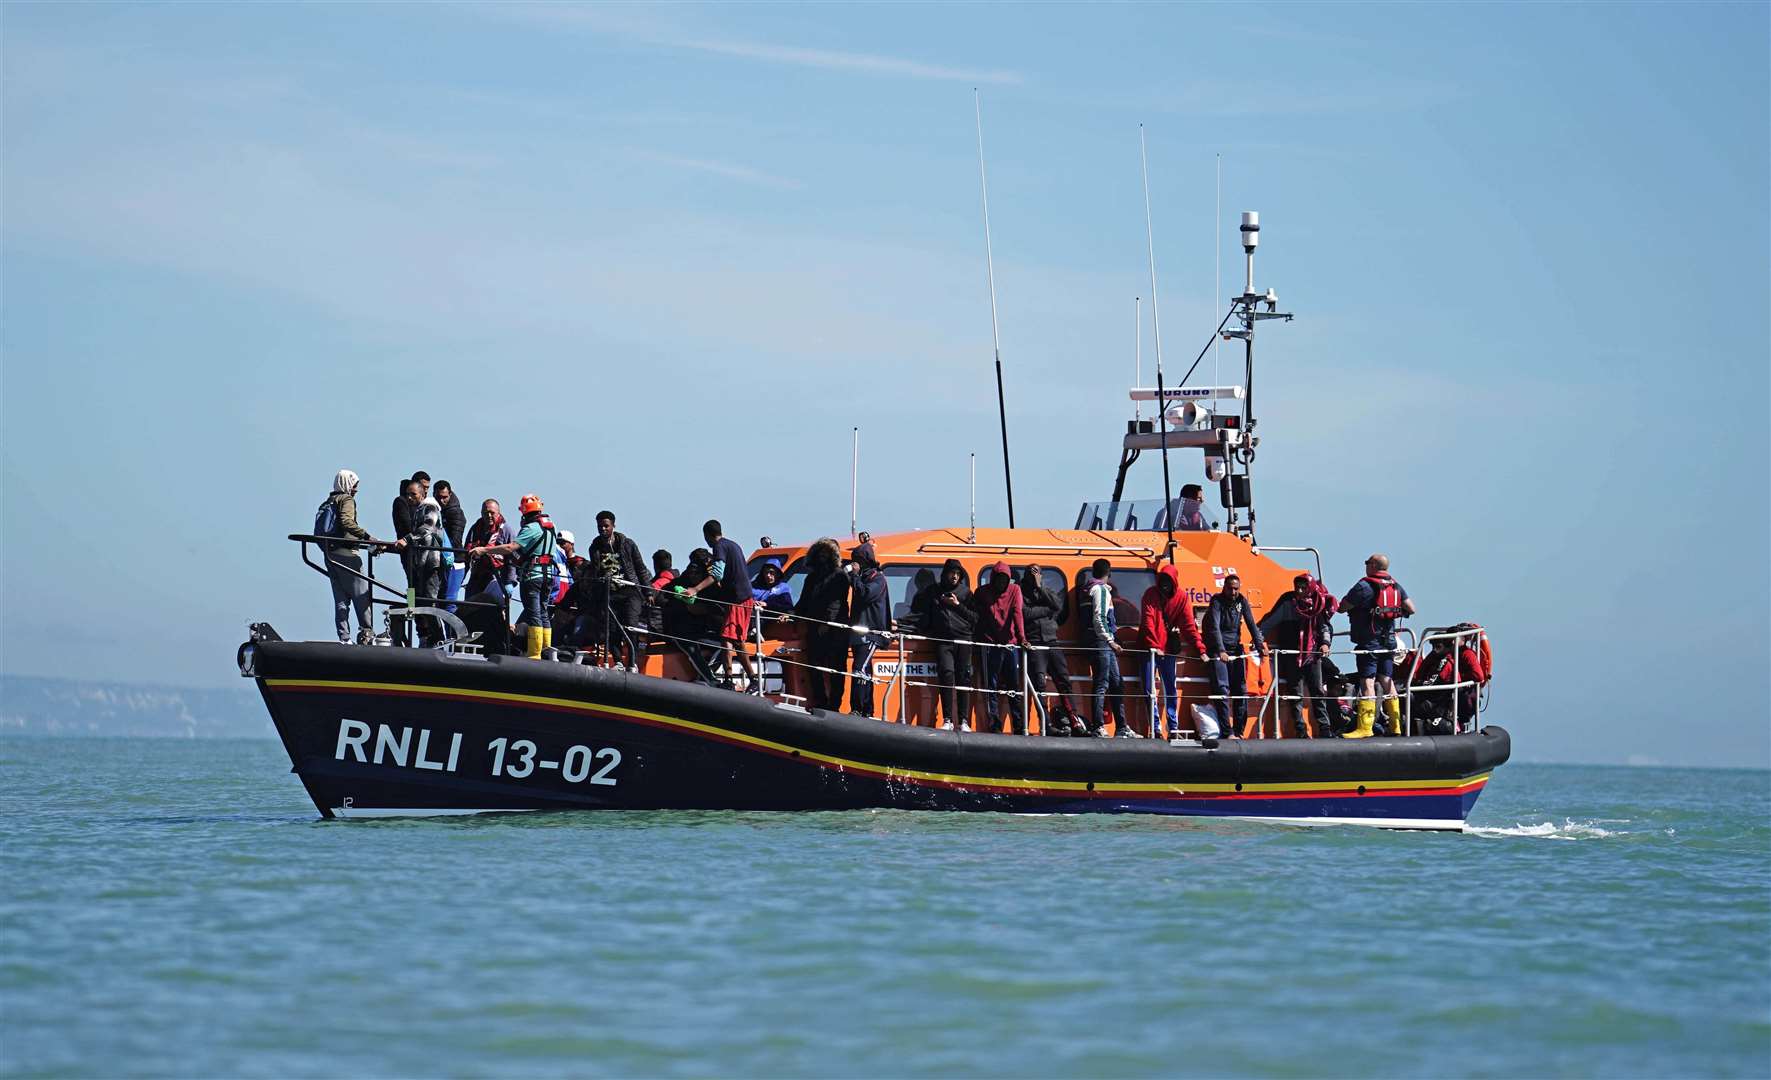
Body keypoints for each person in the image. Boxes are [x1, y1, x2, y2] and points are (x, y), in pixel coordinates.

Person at [470, 493, 559, 659]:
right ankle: (547, 652)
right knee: (544, 612)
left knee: (534, 613)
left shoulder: (531, 528)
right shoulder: (550, 527)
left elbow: (511, 547)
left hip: (534, 576)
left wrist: (484, 550)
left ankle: (535, 654)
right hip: (549, 575)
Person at [1340, 553, 1416, 738]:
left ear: (1373, 565)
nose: (1365, 565)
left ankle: (1365, 727)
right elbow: (1411, 609)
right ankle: (1396, 726)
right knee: (1386, 680)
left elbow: (1342, 607)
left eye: (1367, 562)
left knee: (1367, 682)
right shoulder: (1395, 585)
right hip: (1389, 642)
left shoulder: (1363, 586)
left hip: (1369, 642)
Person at [678, 520, 759, 691]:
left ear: (707, 535)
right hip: (744, 597)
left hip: (738, 599)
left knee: (727, 639)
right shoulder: (734, 545)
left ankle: (730, 679)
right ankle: (752, 678)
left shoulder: (719, 547)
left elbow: (717, 573)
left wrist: (695, 589)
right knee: (737, 641)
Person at [316, 469, 388, 644]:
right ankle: (367, 633)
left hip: (330, 554)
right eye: (355, 485)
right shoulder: (346, 499)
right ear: (348, 484)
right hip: (348, 555)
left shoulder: (328, 501)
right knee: (362, 595)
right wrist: (369, 538)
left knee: (341, 599)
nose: (356, 489)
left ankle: (344, 637)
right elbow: (347, 522)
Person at [1139, 564, 1207, 740]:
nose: (1164, 584)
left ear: (1174, 581)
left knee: (1170, 688)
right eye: (1162, 580)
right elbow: (1147, 621)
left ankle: (1173, 728)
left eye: (1168, 581)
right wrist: (1154, 645)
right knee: (1149, 688)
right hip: (1149, 649)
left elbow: (1189, 626)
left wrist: (1200, 648)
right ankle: (1155, 728)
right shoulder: (1150, 594)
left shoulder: (1182, 597)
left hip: (1167, 649)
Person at [1020, 565, 1085, 736]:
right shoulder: (1020, 593)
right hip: (1035, 643)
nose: (1035, 576)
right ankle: (1046, 724)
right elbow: (1025, 613)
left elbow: (1058, 605)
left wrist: (1040, 587)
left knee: (1064, 681)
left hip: (1052, 641)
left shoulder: (1046, 591)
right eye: (1032, 574)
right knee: (1039, 684)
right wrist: (1046, 610)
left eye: (1037, 573)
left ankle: (1075, 722)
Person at [910, 559, 975, 730]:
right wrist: (900, 624)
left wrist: (957, 605)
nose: (954, 576)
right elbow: (922, 616)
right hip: (943, 640)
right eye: (952, 572)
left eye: (958, 573)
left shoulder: (967, 594)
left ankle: (964, 721)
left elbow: (975, 619)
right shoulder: (933, 592)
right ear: (945, 573)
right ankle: (947, 719)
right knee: (946, 674)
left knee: (963, 678)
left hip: (963, 639)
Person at [1203, 574, 1267, 740]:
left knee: (1241, 690)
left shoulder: (1242, 601)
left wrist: (1260, 646)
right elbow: (1214, 627)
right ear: (1224, 587)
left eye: (1236, 589)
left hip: (1235, 649)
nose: (1233, 592)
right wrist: (1220, 650)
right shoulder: (1217, 601)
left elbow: (1251, 624)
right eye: (1230, 588)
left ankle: (1239, 731)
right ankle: (1227, 732)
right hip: (1219, 651)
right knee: (1222, 690)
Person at [793, 538, 851, 712]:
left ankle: (834, 705)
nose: (822, 557)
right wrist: (791, 614)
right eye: (820, 553)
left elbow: (836, 603)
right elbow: (803, 602)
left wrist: (827, 623)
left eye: (826, 554)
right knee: (814, 666)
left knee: (837, 669)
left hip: (836, 630)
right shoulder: (811, 578)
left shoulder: (840, 575)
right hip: (815, 628)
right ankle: (820, 700)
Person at [586, 511, 650, 668]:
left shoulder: (627, 544)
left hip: (630, 591)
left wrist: (648, 591)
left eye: (606, 526)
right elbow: (595, 571)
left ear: (613, 526)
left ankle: (632, 662)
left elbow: (640, 568)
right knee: (612, 628)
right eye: (600, 526)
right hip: (610, 592)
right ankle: (618, 661)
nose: (603, 529)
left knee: (630, 625)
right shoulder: (595, 547)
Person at [970, 562, 1027, 734]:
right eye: (999, 578)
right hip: (990, 644)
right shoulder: (982, 592)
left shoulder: (1015, 590)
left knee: (1013, 686)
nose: (1002, 583)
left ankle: (1018, 724)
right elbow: (976, 616)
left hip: (1010, 644)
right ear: (993, 578)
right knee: (991, 686)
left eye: (1005, 579)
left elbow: (1017, 613)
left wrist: (1022, 638)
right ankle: (994, 724)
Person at [1289, 574, 1346, 737]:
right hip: (1293, 655)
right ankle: (1300, 730)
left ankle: (1324, 728)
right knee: (1296, 694)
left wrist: (1325, 644)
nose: (1299, 591)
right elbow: (1272, 620)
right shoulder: (1289, 603)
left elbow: (1324, 628)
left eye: (1303, 587)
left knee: (1318, 691)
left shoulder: (1318, 605)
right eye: (1297, 587)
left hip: (1313, 655)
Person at [1082, 559, 1131, 737]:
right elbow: (1099, 618)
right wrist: (1111, 640)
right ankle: (1098, 726)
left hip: (1099, 642)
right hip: (1102, 643)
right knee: (1102, 684)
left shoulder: (1087, 589)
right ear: (1108, 573)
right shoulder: (1101, 590)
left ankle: (1122, 726)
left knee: (1117, 683)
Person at [847, 549, 892, 718]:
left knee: (859, 668)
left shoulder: (877, 579)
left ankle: (857, 708)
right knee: (865, 670)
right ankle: (867, 709)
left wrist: (855, 576)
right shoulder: (861, 579)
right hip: (858, 633)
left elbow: (865, 594)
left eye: (857, 560)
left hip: (872, 633)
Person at [400, 501, 447, 645]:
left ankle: (439, 637)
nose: (409, 497)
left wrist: (406, 539)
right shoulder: (419, 510)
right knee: (416, 599)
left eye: (413, 494)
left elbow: (428, 527)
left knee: (429, 601)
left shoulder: (430, 508)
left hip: (431, 563)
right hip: (419, 564)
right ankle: (426, 635)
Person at [464, 499, 516, 601]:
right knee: (469, 609)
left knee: (496, 612)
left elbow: (513, 558)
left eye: (492, 513)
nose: (489, 516)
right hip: (476, 578)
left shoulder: (506, 531)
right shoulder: (475, 529)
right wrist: (460, 577)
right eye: (485, 513)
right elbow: (466, 554)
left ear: (498, 513)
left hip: (497, 578)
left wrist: (510, 581)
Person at [433, 481, 468, 606]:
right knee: (437, 601)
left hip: (453, 561)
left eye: (445, 497)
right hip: (441, 561)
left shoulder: (455, 512)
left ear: (450, 494)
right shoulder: (435, 511)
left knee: (448, 601)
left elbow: (455, 540)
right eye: (438, 497)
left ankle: (454, 626)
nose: (442, 500)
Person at [392, 478, 424, 588]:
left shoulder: (422, 507)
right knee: (412, 580)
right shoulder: (401, 502)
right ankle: (412, 603)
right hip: (409, 547)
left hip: (412, 547)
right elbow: (406, 525)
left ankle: (412, 603)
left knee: (413, 581)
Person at [646, 550, 676, 634]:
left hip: (658, 626)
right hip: (672, 625)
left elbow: (646, 599)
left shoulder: (659, 582)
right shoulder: (678, 579)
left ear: (655, 565)